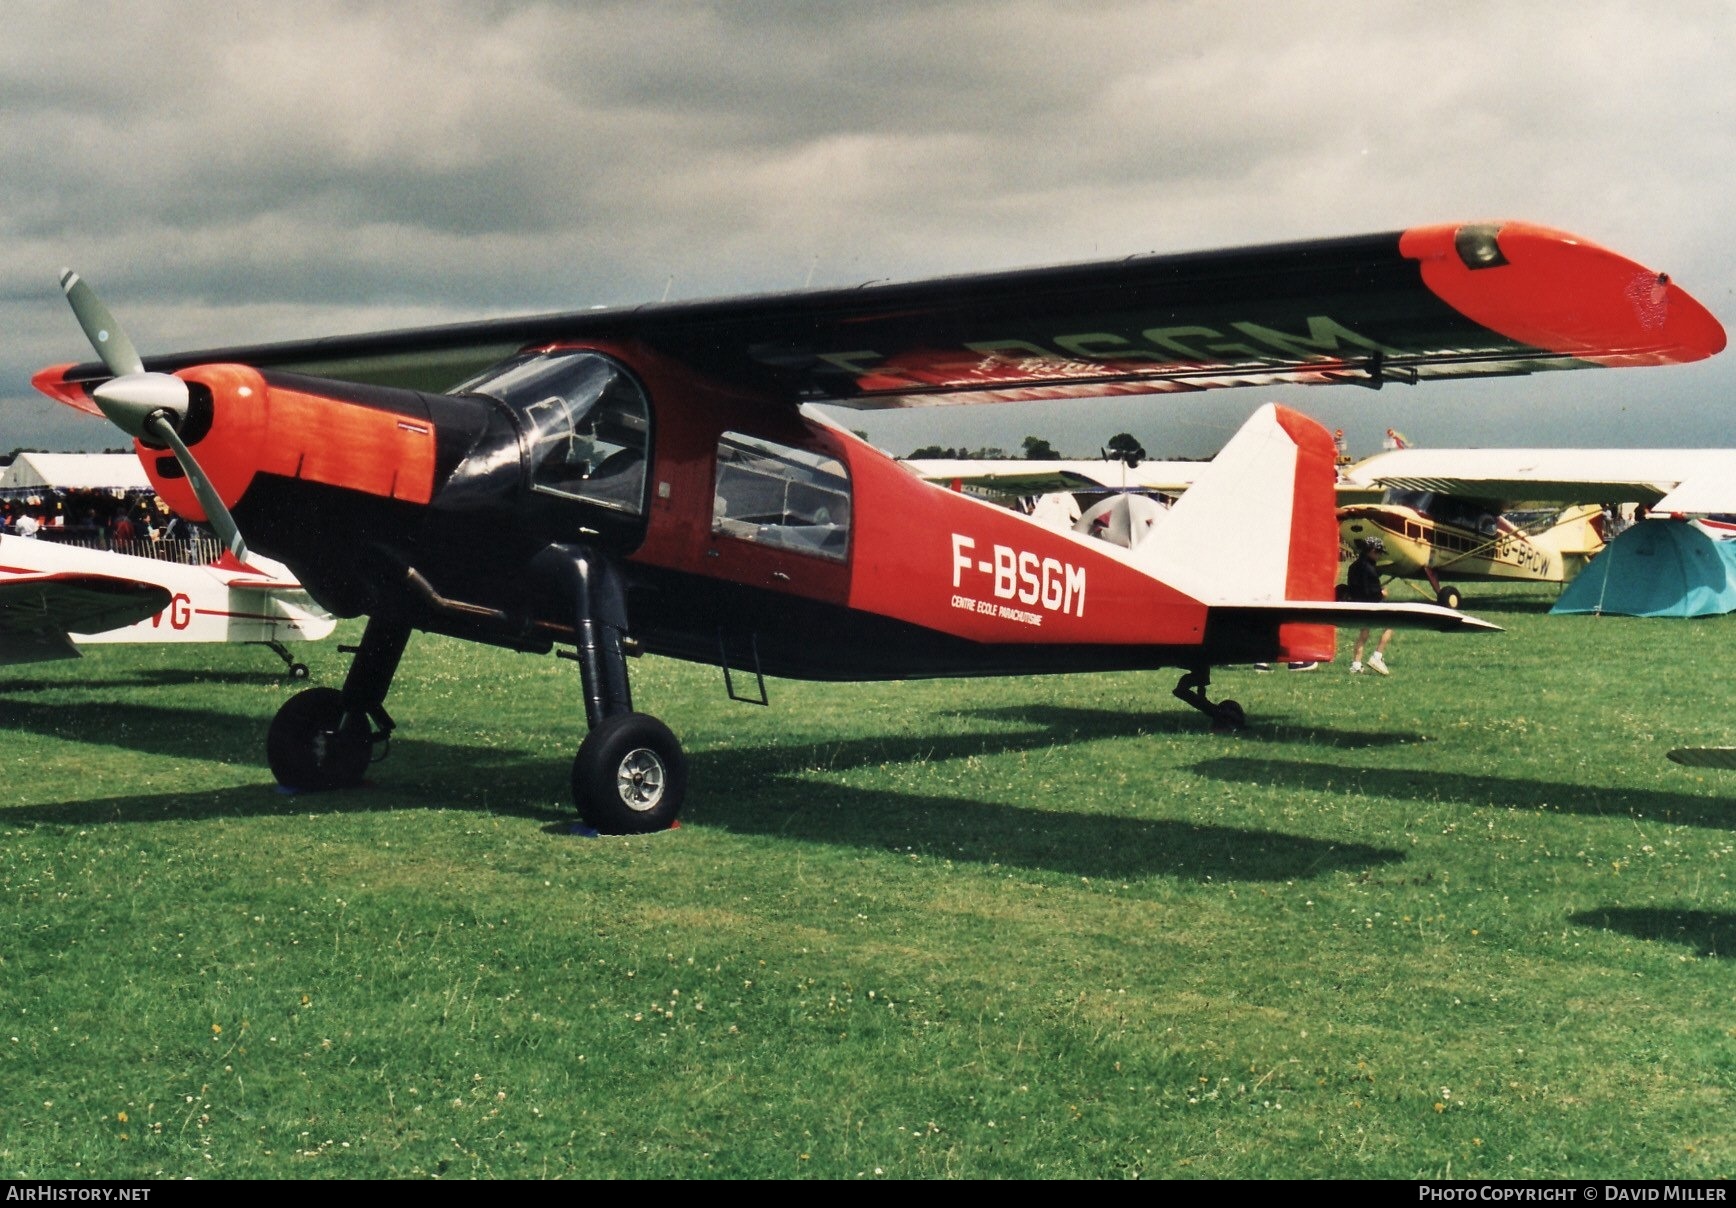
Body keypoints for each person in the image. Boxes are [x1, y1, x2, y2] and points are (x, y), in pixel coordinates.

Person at [1346, 536, 1392, 675]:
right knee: (1389, 625)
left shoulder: (1353, 566)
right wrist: (1382, 593)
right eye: (1378, 552)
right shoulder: (1369, 569)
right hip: (1370, 606)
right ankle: (1377, 656)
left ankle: (1356, 665)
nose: (1379, 556)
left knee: (1364, 633)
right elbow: (1370, 592)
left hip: (1355, 605)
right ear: (1371, 551)